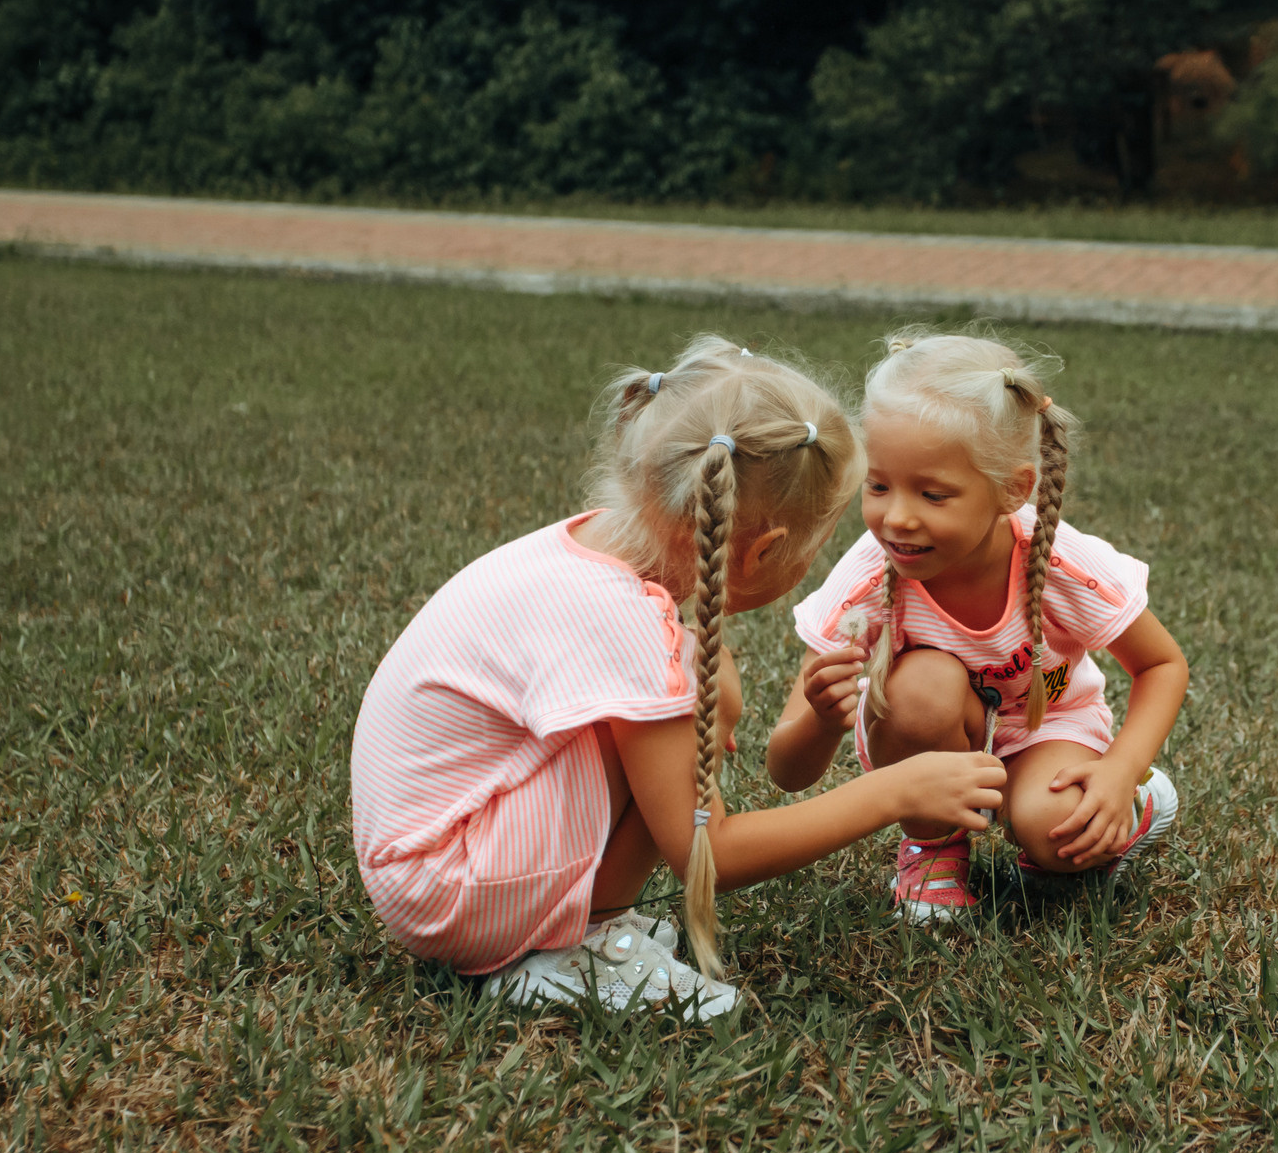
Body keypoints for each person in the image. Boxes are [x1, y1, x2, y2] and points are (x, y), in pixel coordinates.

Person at [349, 335, 1005, 1020]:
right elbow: (710, 852)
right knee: (686, 687)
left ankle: (587, 922)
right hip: (450, 890)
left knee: (694, 680)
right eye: (816, 545)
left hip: (431, 861)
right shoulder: (622, 621)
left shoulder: (589, 548)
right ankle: (566, 950)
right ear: (763, 552)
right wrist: (895, 787)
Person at [767, 331, 1189, 922]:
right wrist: (819, 716)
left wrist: (1118, 772)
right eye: (879, 485)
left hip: (1049, 724)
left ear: (1012, 489)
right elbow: (787, 773)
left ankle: (1144, 801)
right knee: (920, 688)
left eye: (933, 494)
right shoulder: (867, 581)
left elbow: (1162, 664)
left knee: (1058, 836)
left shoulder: (1062, 563)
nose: (897, 517)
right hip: (930, 731)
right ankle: (933, 849)